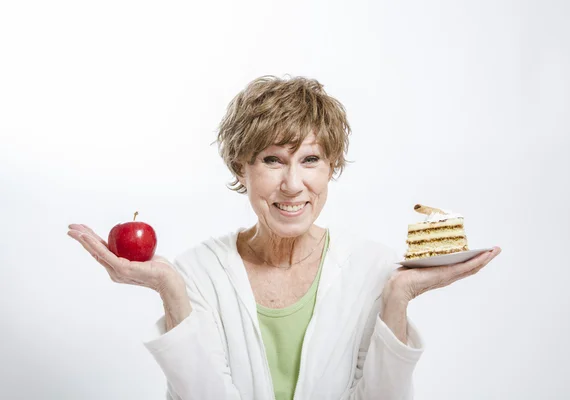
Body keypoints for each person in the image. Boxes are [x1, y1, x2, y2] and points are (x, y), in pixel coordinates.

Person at [67, 75, 502, 400]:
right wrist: (169, 290)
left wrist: (398, 296)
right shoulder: (198, 272)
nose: (293, 185)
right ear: (242, 168)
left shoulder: (372, 268)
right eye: (272, 160)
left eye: (310, 159)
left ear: (331, 167)